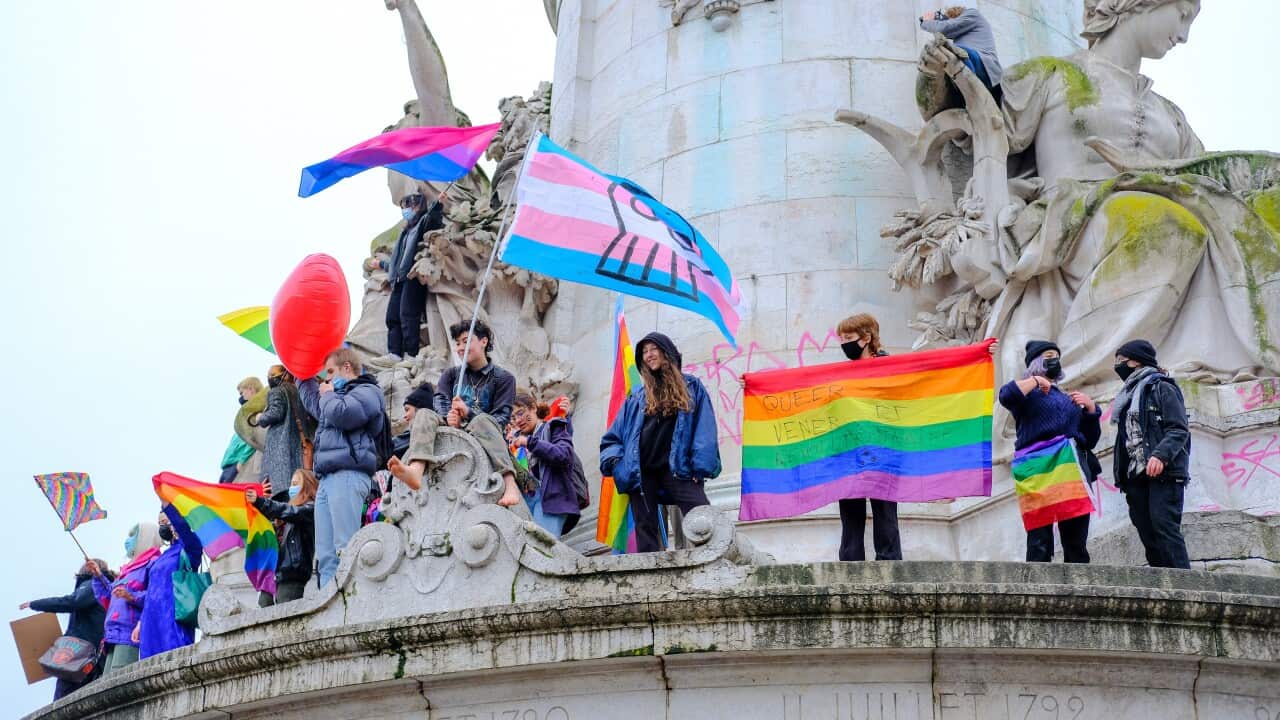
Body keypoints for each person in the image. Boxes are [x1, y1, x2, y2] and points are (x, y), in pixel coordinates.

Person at [599, 332, 721, 552]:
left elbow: (704, 429)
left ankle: (718, 554)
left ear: (667, 352)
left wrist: (700, 466)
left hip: (677, 467)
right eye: (644, 352)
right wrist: (619, 465)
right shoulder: (636, 398)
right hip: (642, 472)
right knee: (645, 527)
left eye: (653, 349)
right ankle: (650, 576)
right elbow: (612, 439)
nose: (649, 355)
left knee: (702, 512)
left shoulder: (691, 386)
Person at [388, 320, 520, 506]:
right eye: (457, 343)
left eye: (466, 341)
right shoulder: (451, 375)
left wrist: (468, 413)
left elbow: (502, 418)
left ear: (484, 342)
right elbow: (440, 400)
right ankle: (416, 469)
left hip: (485, 430)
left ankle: (510, 483)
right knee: (424, 414)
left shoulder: (504, 378)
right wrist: (450, 417)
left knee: (482, 420)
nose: (460, 347)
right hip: (452, 424)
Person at [998, 340, 1102, 563]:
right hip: (1039, 468)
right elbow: (1006, 395)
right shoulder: (1029, 394)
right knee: (1039, 536)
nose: (1054, 359)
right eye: (1048, 355)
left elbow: (1090, 440)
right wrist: (1035, 381)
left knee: (1075, 534)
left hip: (1070, 466)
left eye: (1056, 355)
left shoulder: (1067, 398)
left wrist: (1091, 409)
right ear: (1036, 362)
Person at [298, 348, 385, 587]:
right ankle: (330, 609)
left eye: (330, 372)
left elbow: (344, 415)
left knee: (346, 548)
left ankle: (354, 604)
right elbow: (314, 403)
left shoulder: (368, 390)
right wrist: (299, 372)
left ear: (347, 368)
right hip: (327, 480)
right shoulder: (333, 397)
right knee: (326, 556)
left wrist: (327, 395)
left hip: (348, 474)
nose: (326, 379)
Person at [1111, 339, 1192, 569]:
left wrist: (1160, 455)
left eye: (1121, 360)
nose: (1118, 366)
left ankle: (1184, 586)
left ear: (1135, 361)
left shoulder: (1162, 387)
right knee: (1147, 532)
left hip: (1163, 472)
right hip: (1135, 475)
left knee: (1164, 526)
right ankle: (1162, 586)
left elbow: (1178, 429)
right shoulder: (1127, 396)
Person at [830, 314, 904, 562]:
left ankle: (889, 564)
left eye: (849, 338)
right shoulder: (842, 374)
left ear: (866, 338)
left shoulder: (890, 368)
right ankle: (850, 565)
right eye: (841, 339)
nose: (844, 344)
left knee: (885, 511)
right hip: (851, 451)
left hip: (882, 449)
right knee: (850, 512)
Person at [20, 559, 114, 699]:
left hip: (80, 655)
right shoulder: (107, 589)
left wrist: (35, 604)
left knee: (62, 699)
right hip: (95, 656)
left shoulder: (92, 585)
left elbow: (72, 602)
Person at [376, 191, 447, 364]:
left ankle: (411, 353)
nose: (406, 209)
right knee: (392, 317)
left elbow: (433, 221)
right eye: (404, 206)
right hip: (398, 279)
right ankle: (394, 353)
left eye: (409, 205)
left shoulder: (421, 223)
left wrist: (438, 205)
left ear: (418, 205)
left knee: (408, 315)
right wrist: (382, 265)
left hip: (411, 276)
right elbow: (396, 260)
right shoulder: (405, 231)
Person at [91, 522, 162, 675]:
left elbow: (157, 596)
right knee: (107, 683)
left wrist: (132, 596)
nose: (128, 541)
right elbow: (111, 595)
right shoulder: (127, 569)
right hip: (112, 633)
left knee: (118, 684)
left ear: (145, 538)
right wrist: (98, 576)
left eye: (133, 536)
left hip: (131, 633)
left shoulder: (153, 564)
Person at [508, 390, 581, 537]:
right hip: (527, 503)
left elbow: (564, 455)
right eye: (513, 418)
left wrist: (530, 443)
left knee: (541, 550)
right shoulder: (515, 442)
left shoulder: (553, 425)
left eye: (521, 413)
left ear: (533, 408)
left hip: (551, 499)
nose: (518, 420)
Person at [137, 507, 203, 659]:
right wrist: (140, 622)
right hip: (151, 620)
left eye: (166, 521)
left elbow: (185, 531)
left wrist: (168, 506)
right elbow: (151, 591)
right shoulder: (162, 556)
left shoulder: (190, 548)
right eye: (160, 523)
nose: (163, 526)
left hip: (174, 616)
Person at [248, 469, 318, 605]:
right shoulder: (284, 516)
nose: (292, 488)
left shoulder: (309, 509)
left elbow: (289, 511)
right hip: (274, 574)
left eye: (296, 483)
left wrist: (261, 502)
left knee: (285, 616)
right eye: (291, 483)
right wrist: (261, 502)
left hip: (292, 573)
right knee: (264, 609)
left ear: (308, 486)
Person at [250, 365, 314, 495]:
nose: (270, 378)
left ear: (284, 375)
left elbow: (276, 413)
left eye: (272, 375)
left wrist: (260, 417)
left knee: (279, 493)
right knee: (297, 490)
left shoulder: (277, 391)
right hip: (299, 447)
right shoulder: (299, 392)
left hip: (281, 450)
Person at [919, 6, 1003, 97]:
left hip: (986, 66)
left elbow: (945, 28)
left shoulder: (972, 14)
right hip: (975, 64)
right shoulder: (961, 35)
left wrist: (926, 22)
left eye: (948, 20)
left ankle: (969, 93)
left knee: (954, 52)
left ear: (954, 15)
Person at [219, 377, 263, 483]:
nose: (241, 397)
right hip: (229, 464)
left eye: (242, 393)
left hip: (237, 463)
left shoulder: (256, 411)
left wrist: (241, 461)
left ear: (251, 389)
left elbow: (254, 438)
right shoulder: (246, 413)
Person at [392, 384, 436, 462]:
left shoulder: (416, 433)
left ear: (420, 409)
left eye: (407, 410)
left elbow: (389, 448)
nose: (404, 416)